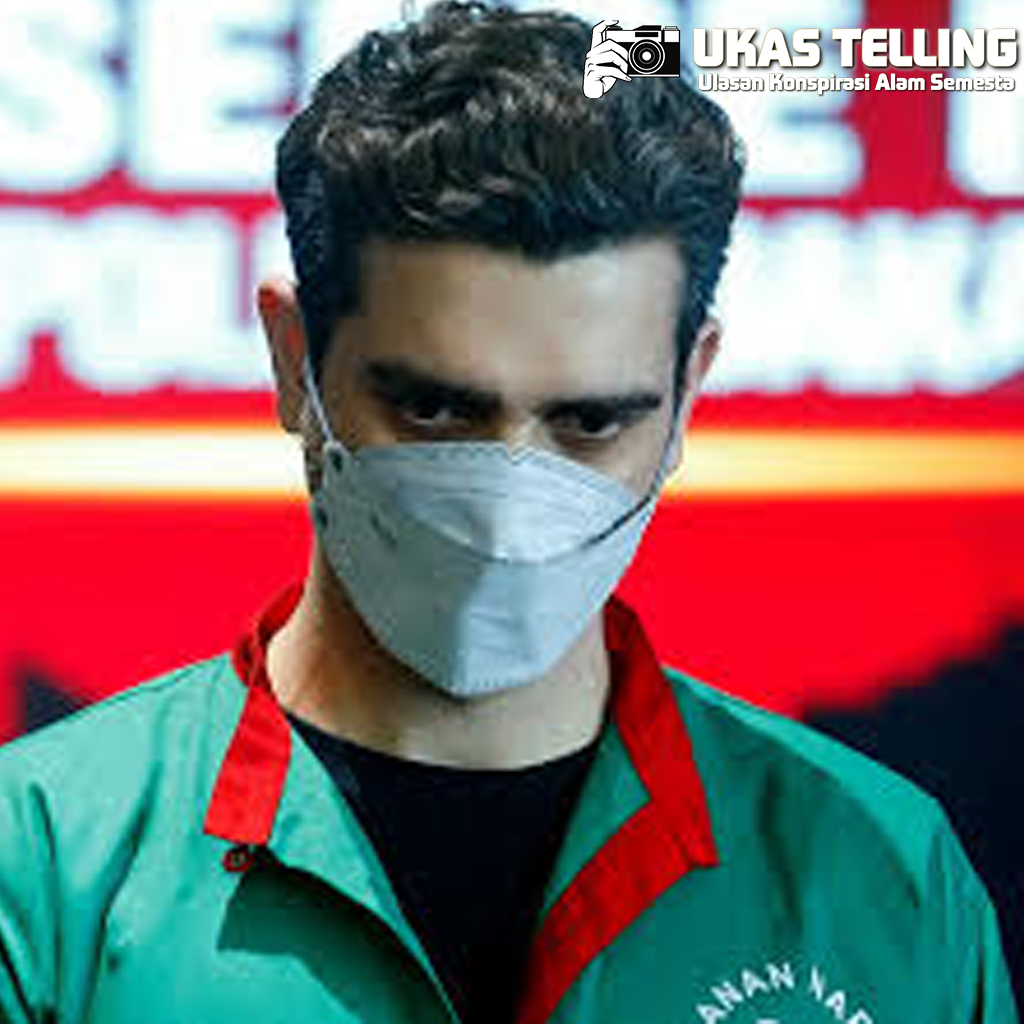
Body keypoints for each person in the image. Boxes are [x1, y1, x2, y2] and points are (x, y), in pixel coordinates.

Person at [0, 2, 1017, 1022]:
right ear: (292, 359)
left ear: (687, 391)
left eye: (590, 422)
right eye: (434, 409)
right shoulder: (42, 866)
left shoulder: (885, 877)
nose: (507, 512)